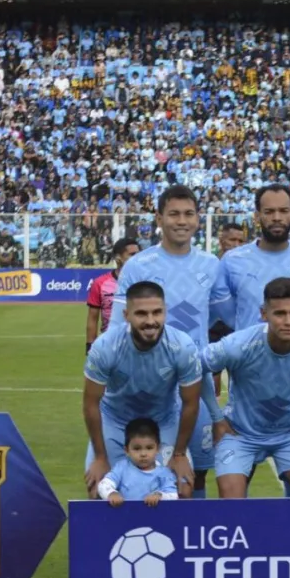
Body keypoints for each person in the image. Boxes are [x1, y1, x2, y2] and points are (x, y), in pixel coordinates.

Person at [108, 185, 221, 499]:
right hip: (150, 386)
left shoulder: (211, 265)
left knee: (195, 475)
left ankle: (193, 530)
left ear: (198, 218)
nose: (181, 221)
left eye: (188, 214)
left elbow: (221, 319)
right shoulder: (138, 266)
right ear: (159, 218)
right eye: (173, 214)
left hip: (196, 384)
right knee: (143, 471)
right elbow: (117, 326)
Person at [201, 278, 290, 499]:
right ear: (264, 314)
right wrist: (217, 418)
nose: (288, 321)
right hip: (239, 434)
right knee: (230, 505)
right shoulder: (237, 346)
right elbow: (198, 368)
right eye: (280, 314)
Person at [83, 281, 219, 500]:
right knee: (97, 490)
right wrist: (100, 457)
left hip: (163, 420)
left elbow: (190, 403)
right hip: (115, 420)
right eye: (141, 314)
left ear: (165, 312)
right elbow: (90, 403)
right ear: (126, 315)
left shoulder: (182, 347)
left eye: (157, 312)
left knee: (183, 489)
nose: (150, 321)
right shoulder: (105, 347)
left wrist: (179, 454)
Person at [211, 183, 290, 331]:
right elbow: (227, 312)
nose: (277, 218)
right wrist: (247, 331)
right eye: (269, 212)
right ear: (257, 216)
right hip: (248, 346)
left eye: (283, 211)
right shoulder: (231, 260)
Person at [97, 418, 179, 507]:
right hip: (126, 514)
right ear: (127, 450)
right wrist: (111, 494)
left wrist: (160, 496)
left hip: (154, 514)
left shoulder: (164, 473)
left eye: (149, 448)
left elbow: (173, 495)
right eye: (137, 448)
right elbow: (103, 485)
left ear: (158, 449)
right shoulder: (122, 468)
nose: (143, 454)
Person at [209, 223, 245, 397]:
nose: (236, 245)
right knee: (213, 376)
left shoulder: (247, 269)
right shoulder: (209, 265)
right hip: (213, 326)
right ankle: (213, 412)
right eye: (232, 240)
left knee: (238, 374)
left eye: (241, 241)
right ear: (222, 241)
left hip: (236, 326)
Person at [86, 238, 140, 353]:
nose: (137, 258)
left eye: (139, 254)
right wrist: (90, 347)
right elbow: (93, 318)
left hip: (140, 346)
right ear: (118, 258)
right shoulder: (100, 283)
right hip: (110, 347)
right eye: (132, 254)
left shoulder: (148, 281)